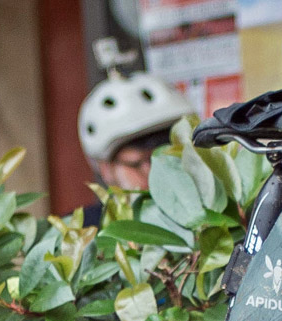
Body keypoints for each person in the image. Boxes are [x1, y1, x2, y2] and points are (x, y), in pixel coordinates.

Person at [77, 69, 196, 222]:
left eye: (169, 157)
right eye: (138, 163)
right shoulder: (86, 236)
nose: (156, 175)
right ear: (106, 168)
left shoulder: (217, 221)